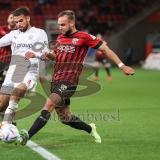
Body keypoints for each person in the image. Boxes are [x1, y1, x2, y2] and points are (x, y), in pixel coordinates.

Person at [24, 10, 134, 145]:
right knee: (65, 118)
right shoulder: (60, 38)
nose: (60, 27)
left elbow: (106, 49)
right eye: (59, 24)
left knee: (49, 104)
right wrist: (39, 55)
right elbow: (55, 57)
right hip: (56, 80)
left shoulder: (84, 37)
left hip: (69, 81)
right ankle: (90, 128)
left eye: (63, 24)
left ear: (72, 23)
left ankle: (26, 136)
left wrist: (121, 66)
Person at [0, 7, 49, 143]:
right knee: (1, 105)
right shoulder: (14, 34)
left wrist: (36, 55)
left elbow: (46, 54)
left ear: (28, 18)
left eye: (21, 21)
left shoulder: (40, 33)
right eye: (16, 22)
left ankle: (4, 126)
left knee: (16, 94)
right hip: (13, 71)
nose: (18, 24)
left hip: (29, 70)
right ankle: (8, 123)